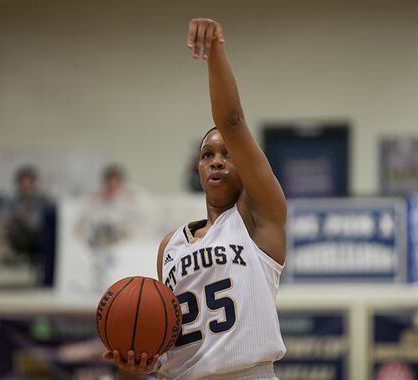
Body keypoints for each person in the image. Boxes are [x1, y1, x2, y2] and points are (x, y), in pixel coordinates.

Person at [104, 18, 287, 379]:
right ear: (199, 170)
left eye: (227, 154)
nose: (217, 160)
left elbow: (232, 122)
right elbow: (163, 342)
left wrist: (214, 49)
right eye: (207, 155)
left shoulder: (259, 218)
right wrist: (131, 370)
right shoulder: (168, 246)